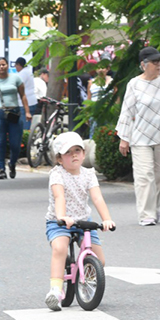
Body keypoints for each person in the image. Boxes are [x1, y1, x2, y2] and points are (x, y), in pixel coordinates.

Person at [44, 132, 115, 310]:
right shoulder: (57, 174)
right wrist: (62, 217)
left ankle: (86, 278)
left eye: (77, 150)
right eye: (68, 152)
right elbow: (59, 197)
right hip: (59, 221)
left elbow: (97, 198)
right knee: (60, 248)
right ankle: (56, 291)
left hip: (83, 221)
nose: (74, 155)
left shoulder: (89, 174)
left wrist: (107, 219)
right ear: (59, 159)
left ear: (84, 154)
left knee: (99, 260)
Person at [115, 46, 160, 226]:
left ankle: (154, 206)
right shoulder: (134, 84)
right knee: (144, 176)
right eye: (154, 62)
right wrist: (124, 138)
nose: (158, 64)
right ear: (143, 65)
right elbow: (127, 112)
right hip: (140, 138)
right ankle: (146, 214)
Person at [15, 57, 38, 127]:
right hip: (32, 101)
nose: (15, 68)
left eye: (16, 65)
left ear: (19, 65)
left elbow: (17, 86)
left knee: (24, 125)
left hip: (25, 103)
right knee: (27, 124)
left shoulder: (23, 73)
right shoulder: (28, 71)